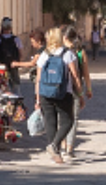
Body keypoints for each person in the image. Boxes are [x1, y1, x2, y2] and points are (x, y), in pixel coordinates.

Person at [33, 27, 83, 164]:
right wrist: (79, 93)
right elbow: (75, 76)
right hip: (63, 93)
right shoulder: (68, 54)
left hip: (45, 93)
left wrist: (37, 98)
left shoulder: (44, 55)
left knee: (50, 122)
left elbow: (38, 79)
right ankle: (55, 146)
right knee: (68, 121)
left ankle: (55, 154)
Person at [62, 24, 94, 159]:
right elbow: (85, 73)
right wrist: (88, 89)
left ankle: (62, 145)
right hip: (75, 87)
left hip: (61, 88)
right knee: (73, 118)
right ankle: (69, 148)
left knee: (61, 117)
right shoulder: (80, 52)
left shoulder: (58, 51)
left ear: (64, 37)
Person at [0, 20, 22, 92]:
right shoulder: (16, 39)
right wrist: (18, 61)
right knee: (15, 82)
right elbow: (20, 52)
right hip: (14, 63)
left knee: (3, 82)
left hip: (2, 64)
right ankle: (16, 95)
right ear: (11, 28)